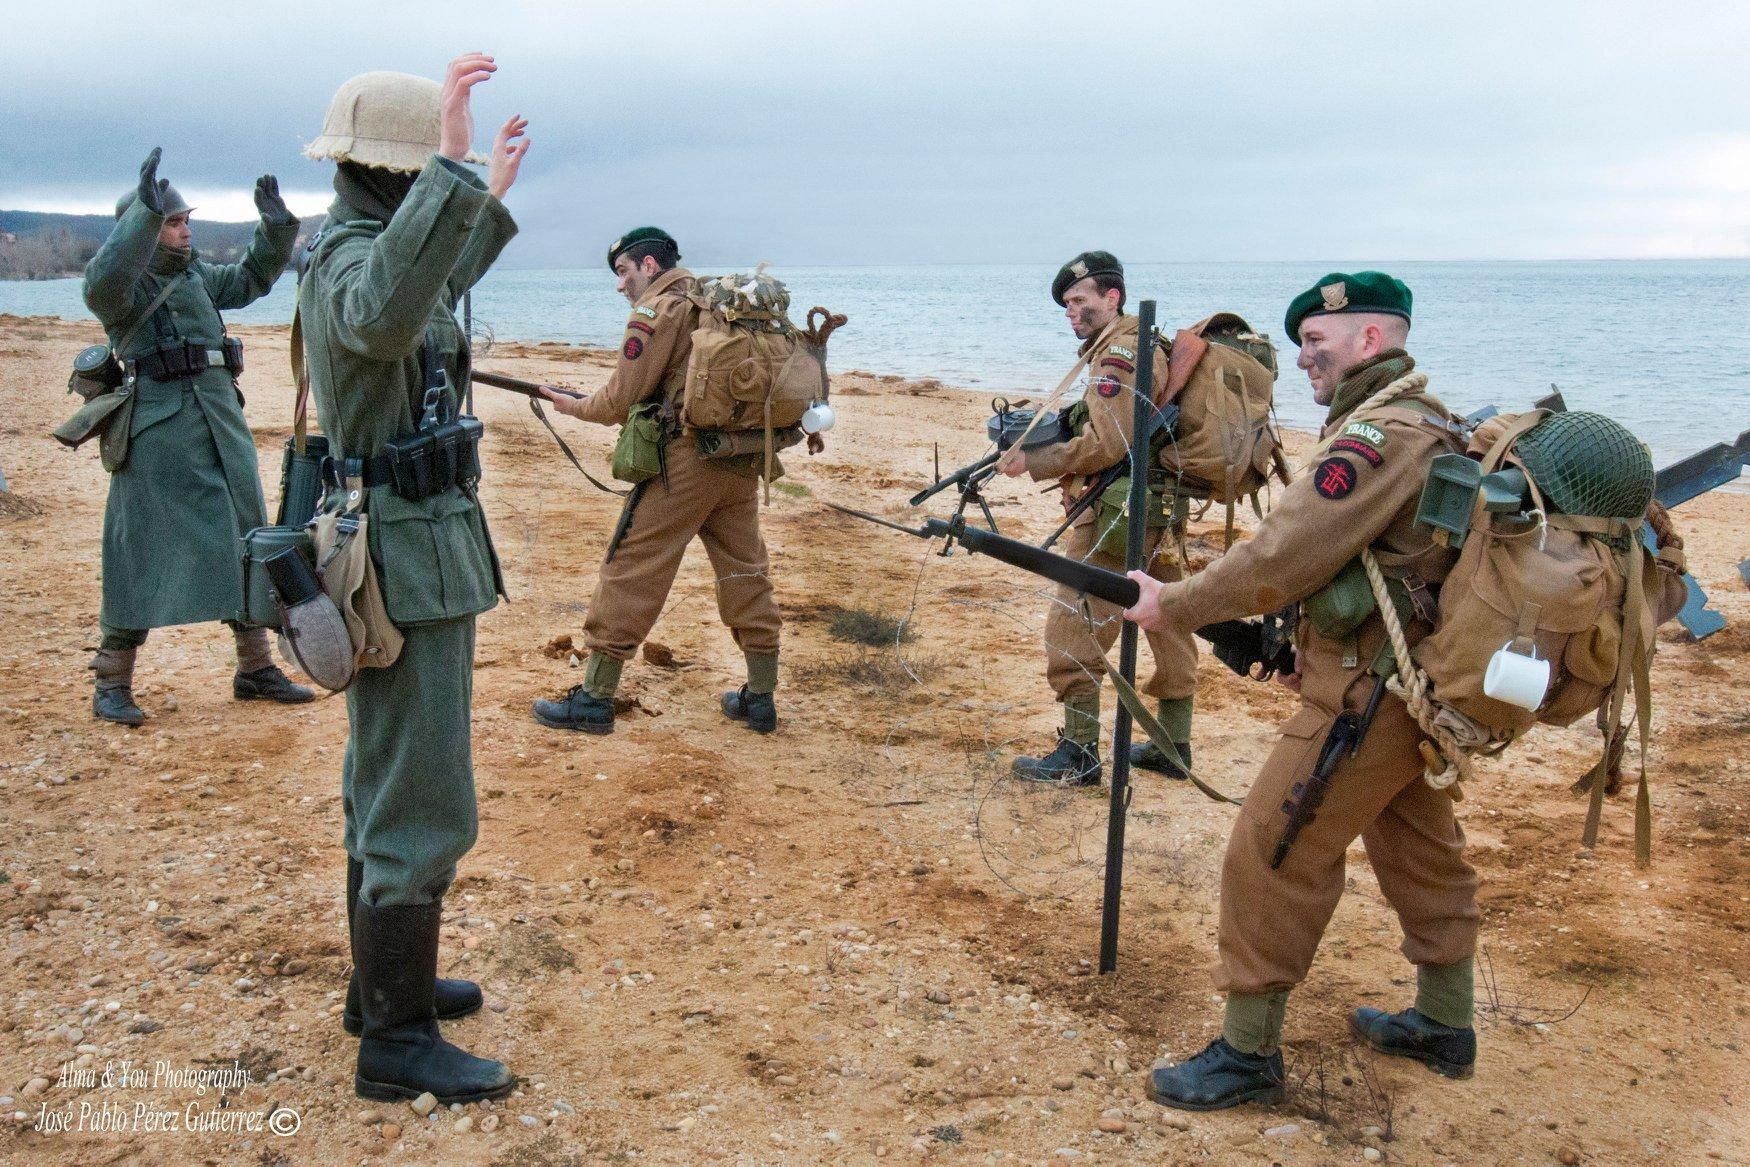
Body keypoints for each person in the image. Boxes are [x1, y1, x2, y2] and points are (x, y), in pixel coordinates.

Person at [1122, 271, 1687, 1110]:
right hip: (1409, 685)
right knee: (1417, 844)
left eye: (1319, 341)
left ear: (1372, 342)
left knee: (1272, 851)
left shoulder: (1380, 437)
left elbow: (1284, 553)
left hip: (1370, 697)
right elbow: (1385, 566)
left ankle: (1246, 1051)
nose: (1305, 357)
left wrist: (1175, 603)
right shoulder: (1430, 424)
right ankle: (1444, 1021)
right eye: (1305, 342)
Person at [299, 54, 529, 1104]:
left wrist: (481, 197)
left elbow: (425, 291)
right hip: (399, 553)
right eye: (420, 176)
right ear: (394, 174)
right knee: (420, 791)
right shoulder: (347, 262)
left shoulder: (364, 248)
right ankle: (393, 1041)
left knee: (388, 773)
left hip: (418, 545)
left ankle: (379, 988)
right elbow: (387, 312)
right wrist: (453, 167)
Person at [82, 148, 311, 725]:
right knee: (138, 550)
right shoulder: (122, 290)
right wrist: (143, 210)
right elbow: (103, 278)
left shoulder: (197, 275)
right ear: (142, 235)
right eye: (173, 223)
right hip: (157, 434)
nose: (185, 231)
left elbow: (253, 277)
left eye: (185, 221)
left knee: (247, 537)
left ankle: (255, 668)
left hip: (219, 425)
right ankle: (112, 680)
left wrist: (275, 225)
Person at [530, 228, 791, 736]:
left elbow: (617, 402)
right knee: (744, 571)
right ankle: (760, 699)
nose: (620, 286)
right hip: (739, 459)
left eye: (624, 272)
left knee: (631, 569)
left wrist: (573, 406)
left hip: (686, 464)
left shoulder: (658, 311)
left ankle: (594, 700)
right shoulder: (716, 303)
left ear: (649, 266)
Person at [996, 251, 1197, 785]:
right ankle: (1175, 744)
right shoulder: (1140, 345)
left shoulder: (1122, 354)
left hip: (1116, 515)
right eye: (1066, 304)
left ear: (1113, 298)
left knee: (1073, 626)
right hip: (1156, 510)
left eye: (1080, 301)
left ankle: (1080, 754)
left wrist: (1032, 461)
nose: (1071, 312)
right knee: (1170, 619)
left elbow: (1109, 442)